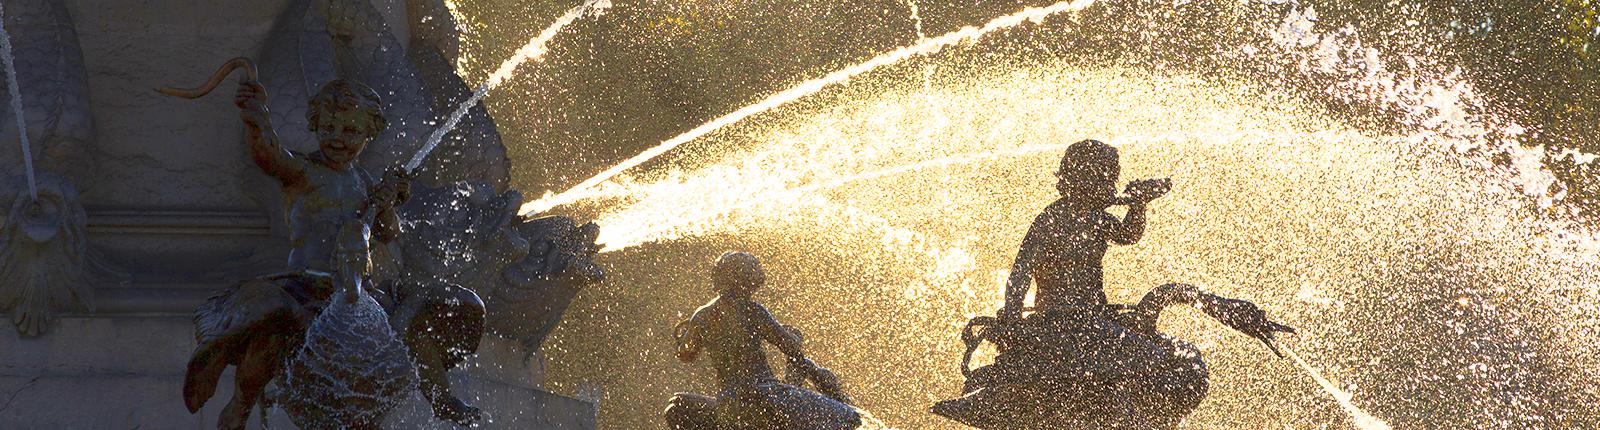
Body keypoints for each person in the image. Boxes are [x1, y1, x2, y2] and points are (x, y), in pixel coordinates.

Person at [664, 251, 861, 430]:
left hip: (729, 404)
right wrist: (794, 335)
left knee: (679, 403)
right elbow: (790, 346)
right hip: (767, 396)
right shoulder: (751, 310)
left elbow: (686, 354)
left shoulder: (702, 315)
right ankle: (850, 408)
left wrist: (683, 337)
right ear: (744, 279)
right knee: (847, 416)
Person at [235, 78, 409, 272]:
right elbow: (268, 155)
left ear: (370, 134)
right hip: (305, 282)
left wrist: (386, 208)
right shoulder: (303, 170)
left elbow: (387, 234)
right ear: (315, 126)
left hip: (356, 287)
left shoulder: (365, 183)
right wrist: (257, 118)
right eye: (327, 128)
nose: (337, 138)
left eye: (350, 131)